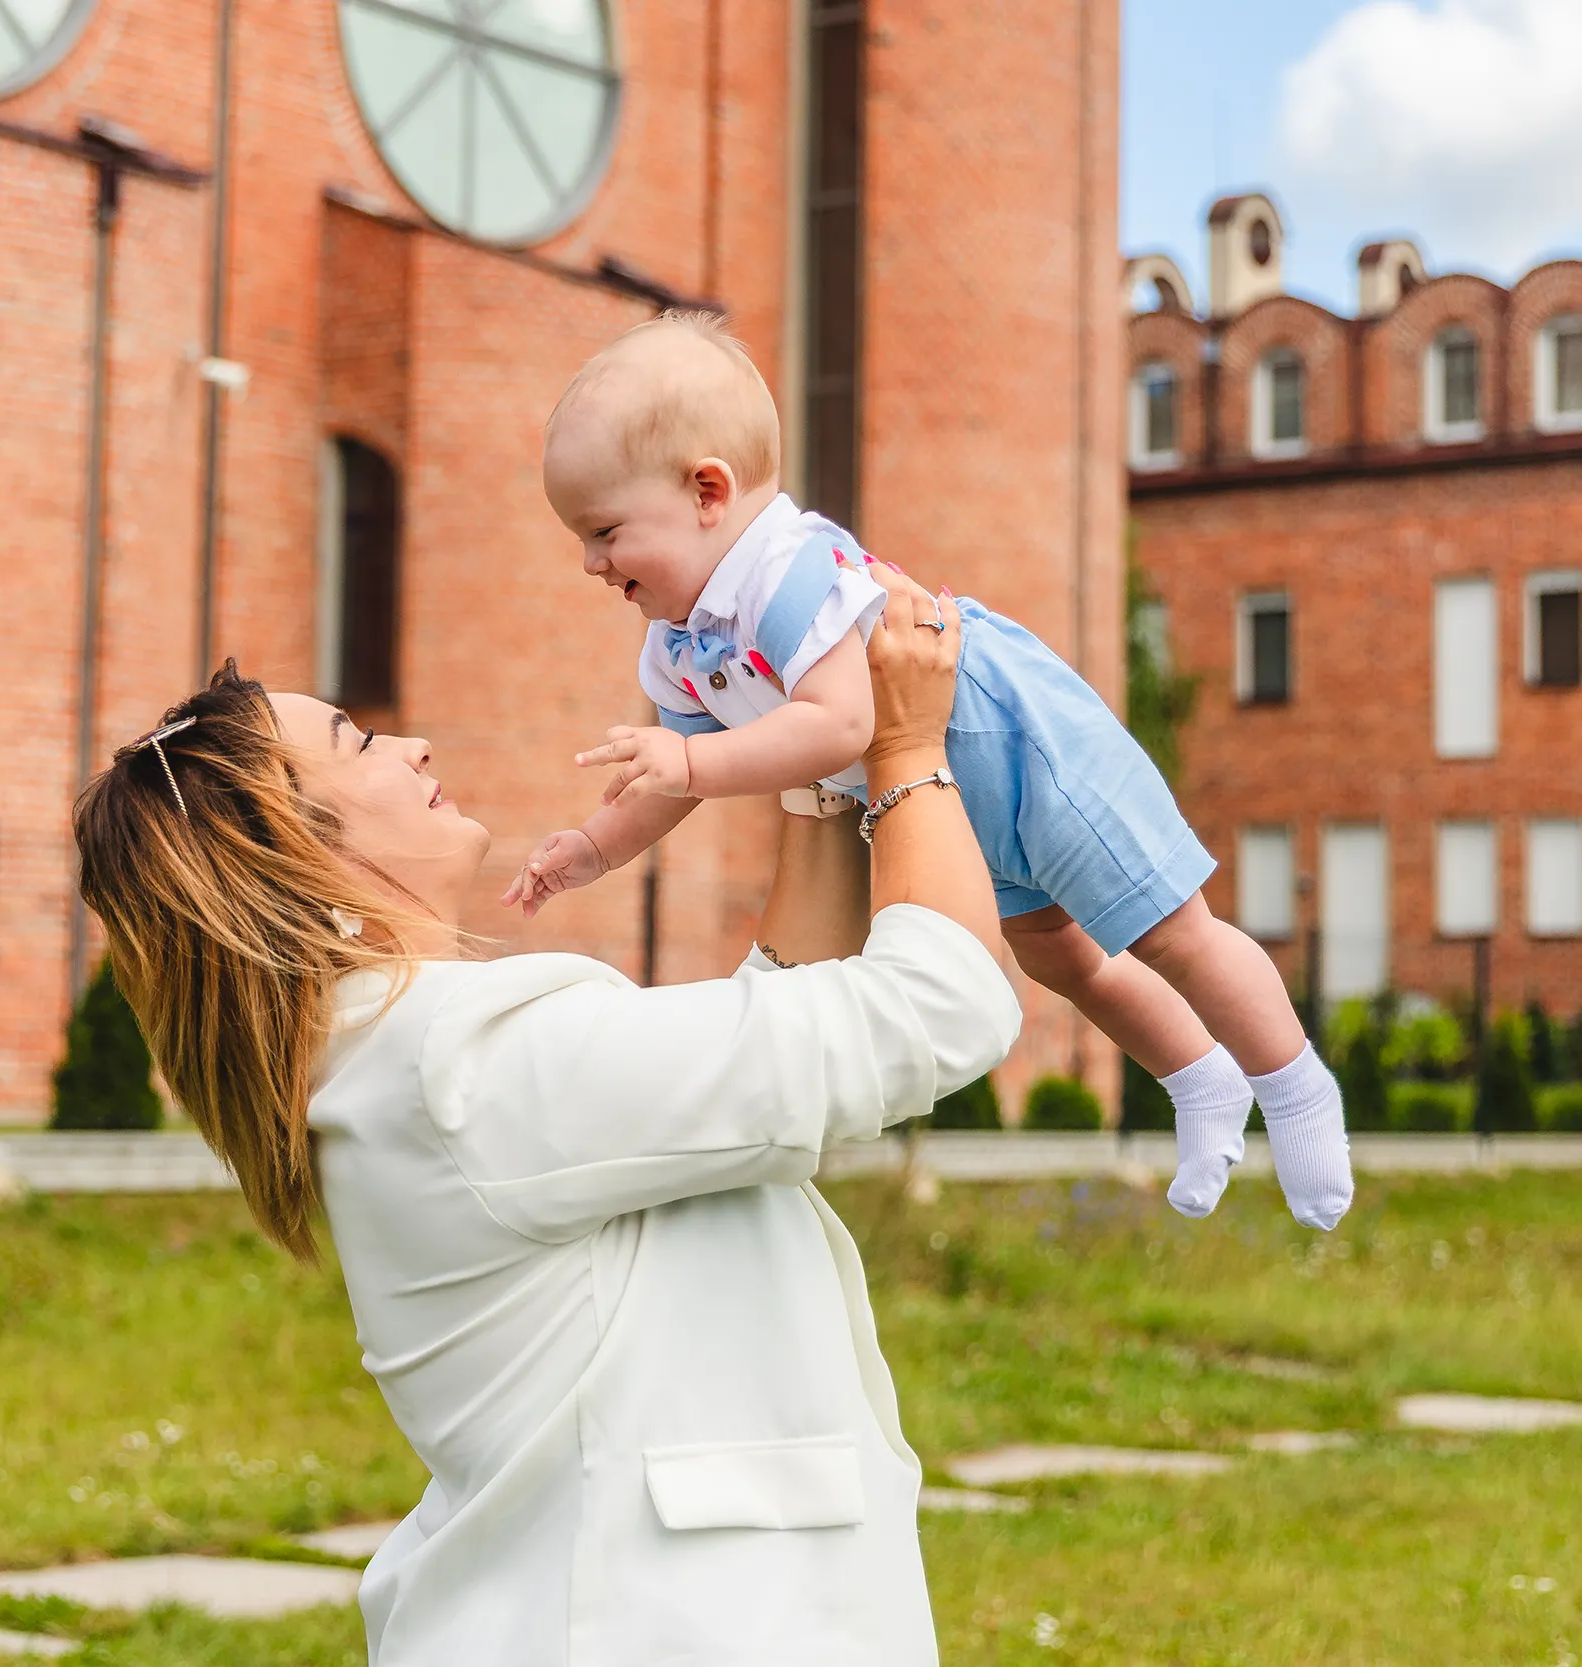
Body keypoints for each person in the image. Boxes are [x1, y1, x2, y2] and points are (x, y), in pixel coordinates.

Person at [72, 573, 1018, 1665]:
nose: (413, 746)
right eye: (361, 741)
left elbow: (754, 1063)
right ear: (293, 845)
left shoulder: (399, 1059)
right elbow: (936, 1010)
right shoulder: (460, 1057)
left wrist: (815, 783)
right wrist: (906, 751)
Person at [502, 310, 1351, 1230]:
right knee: (1062, 959)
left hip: (1018, 739)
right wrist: (596, 843)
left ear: (709, 489)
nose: (590, 563)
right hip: (942, 790)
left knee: (1171, 931)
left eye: (605, 532)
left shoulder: (789, 574)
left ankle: (1299, 1090)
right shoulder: (680, 640)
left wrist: (695, 757)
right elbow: (670, 778)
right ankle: (1198, 1077)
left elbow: (840, 723)